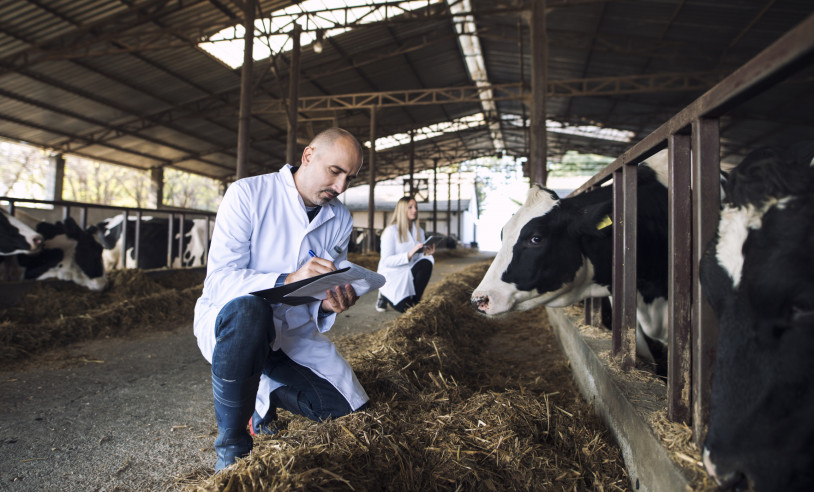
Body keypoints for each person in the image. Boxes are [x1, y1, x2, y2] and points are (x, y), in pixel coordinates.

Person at [193, 128, 369, 472]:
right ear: (308, 156)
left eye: (350, 177)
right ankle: (232, 448)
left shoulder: (341, 219)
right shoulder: (248, 194)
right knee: (250, 310)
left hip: (292, 334)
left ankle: (265, 392)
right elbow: (219, 280)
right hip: (236, 328)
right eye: (335, 171)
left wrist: (327, 303)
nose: (341, 187)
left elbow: (320, 288)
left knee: (346, 409)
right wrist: (286, 279)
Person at [375, 196, 435, 313]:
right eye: (410, 207)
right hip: (393, 274)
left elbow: (418, 258)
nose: (415, 210)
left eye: (416, 207)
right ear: (402, 210)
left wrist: (426, 254)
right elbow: (386, 261)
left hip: (409, 271)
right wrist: (409, 254)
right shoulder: (390, 231)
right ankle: (384, 294)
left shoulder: (419, 231)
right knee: (404, 308)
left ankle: (416, 301)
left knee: (427, 263)